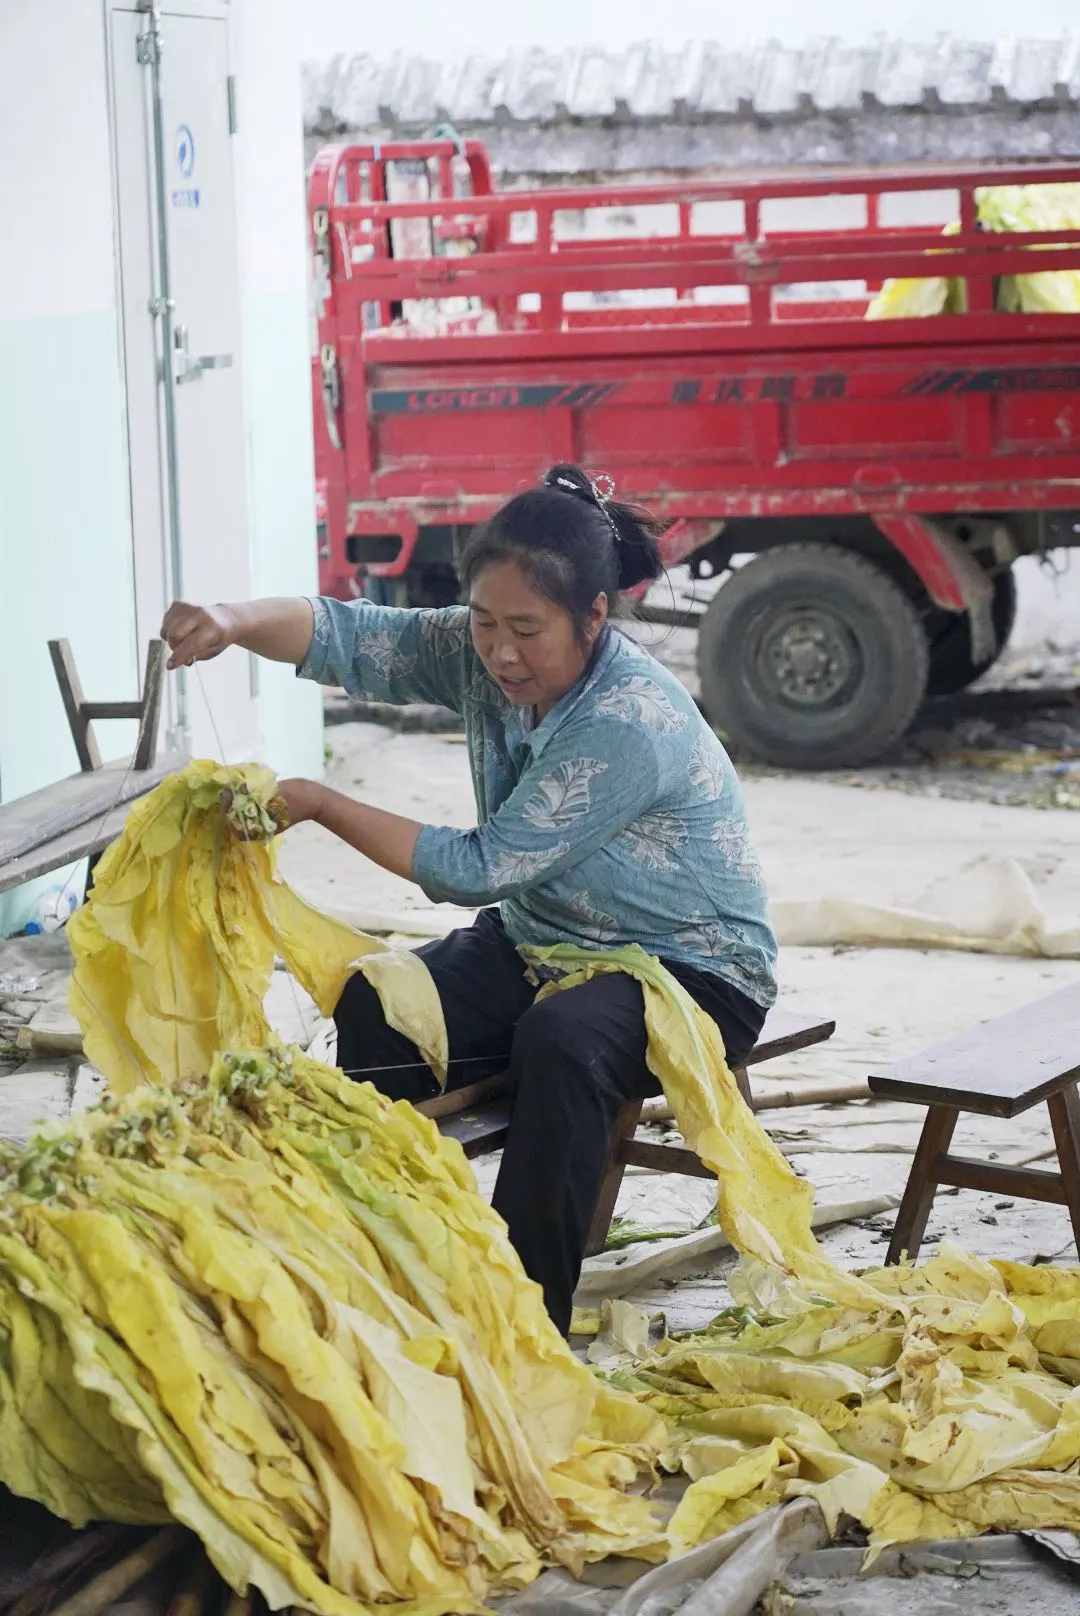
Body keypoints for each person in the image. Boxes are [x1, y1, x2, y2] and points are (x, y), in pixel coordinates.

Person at [161, 464, 778, 1335]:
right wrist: (229, 621)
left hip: (690, 972)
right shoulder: (480, 652)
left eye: (528, 630)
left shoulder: (627, 721)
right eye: (486, 623)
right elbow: (347, 635)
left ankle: (523, 1326)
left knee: (559, 1042)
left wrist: (320, 801)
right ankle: (389, 1267)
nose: (501, 652)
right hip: (544, 943)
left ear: (595, 618)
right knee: (378, 1001)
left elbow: (477, 867)